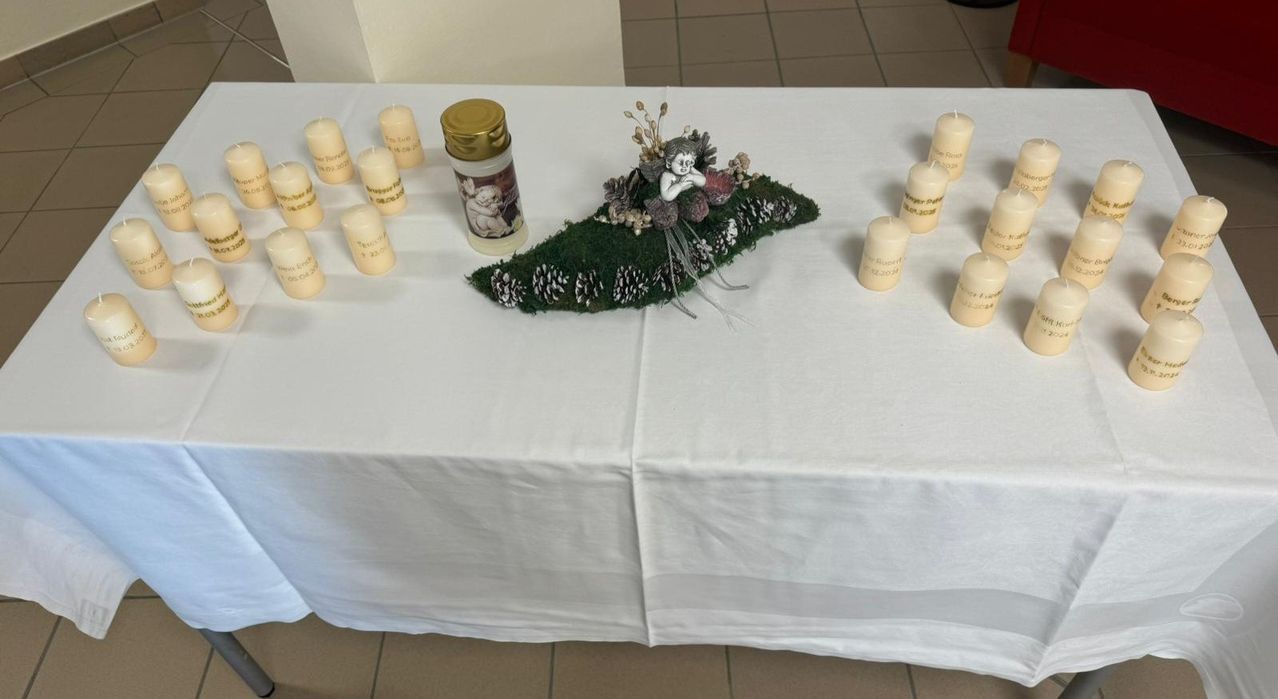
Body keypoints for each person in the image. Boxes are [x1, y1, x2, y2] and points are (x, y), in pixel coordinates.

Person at [658, 137, 706, 202]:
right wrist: (680, 185)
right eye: (680, 162)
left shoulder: (690, 170)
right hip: (674, 203)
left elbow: (703, 181)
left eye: (688, 162)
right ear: (669, 163)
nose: (684, 166)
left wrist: (693, 177)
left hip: (692, 199)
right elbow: (666, 196)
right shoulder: (667, 176)